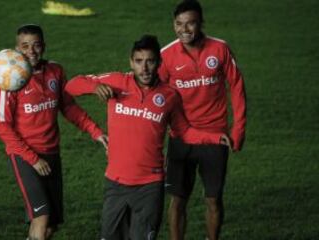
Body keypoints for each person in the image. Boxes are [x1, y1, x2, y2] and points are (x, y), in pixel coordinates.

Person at [65, 35, 231, 240]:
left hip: (149, 187)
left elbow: (184, 131)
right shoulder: (117, 82)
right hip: (115, 184)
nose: (144, 68)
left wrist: (214, 139)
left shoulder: (170, 95)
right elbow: (71, 85)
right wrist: (93, 87)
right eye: (139, 61)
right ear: (131, 62)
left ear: (159, 63)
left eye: (150, 61)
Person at [0, 24, 108, 240]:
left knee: (49, 227)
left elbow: (69, 107)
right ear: (16, 49)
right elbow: (1, 124)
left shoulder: (55, 71)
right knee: (42, 217)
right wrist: (32, 159)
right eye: (25, 46)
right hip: (24, 156)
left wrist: (96, 132)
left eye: (36, 45)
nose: (31, 51)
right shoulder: (9, 79)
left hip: (52, 154)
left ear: (44, 46)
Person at [158, 1, 247, 240]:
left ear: (201, 23)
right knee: (177, 200)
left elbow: (236, 86)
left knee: (214, 199)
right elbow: (156, 95)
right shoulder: (166, 56)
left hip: (217, 137)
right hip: (181, 138)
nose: (184, 30)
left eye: (190, 23)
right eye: (178, 24)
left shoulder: (220, 49)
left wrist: (238, 129)